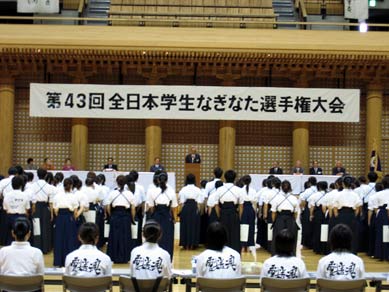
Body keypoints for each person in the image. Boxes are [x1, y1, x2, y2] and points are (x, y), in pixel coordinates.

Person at [147, 172, 177, 260]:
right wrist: (174, 218)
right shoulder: (171, 191)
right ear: (167, 180)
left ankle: (154, 256)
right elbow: (174, 207)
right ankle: (167, 257)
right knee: (167, 236)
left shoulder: (152, 191)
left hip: (156, 215)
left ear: (158, 180)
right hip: (167, 215)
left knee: (156, 235)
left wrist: (153, 216)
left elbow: (151, 207)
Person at [106, 175, 136, 264]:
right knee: (125, 236)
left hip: (115, 215)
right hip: (126, 216)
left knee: (114, 236)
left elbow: (108, 206)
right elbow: (133, 208)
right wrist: (132, 218)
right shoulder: (129, 193)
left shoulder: (112, 193)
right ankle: (125, 257)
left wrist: (111, 215)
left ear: (117, 182)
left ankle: (114, 256)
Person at [53, 178, 82, 267]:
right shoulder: (73, 196)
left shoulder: (57, 196)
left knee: (59, 239)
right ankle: (70, 261)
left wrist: (59, 217)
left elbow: (55, 211)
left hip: (60, 217)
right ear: (71, 186)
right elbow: (76, 212)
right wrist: (73, 217)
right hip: (70, 217)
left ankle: (58, 261)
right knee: (70, 239)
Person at [213, 169, 244, 253]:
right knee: (235, 234)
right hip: (234, 213)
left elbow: (216, 205)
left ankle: (222, 251)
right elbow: (241, 206)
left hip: (223, 212)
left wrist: (219, 216)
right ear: (234, 178)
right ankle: (235, 252)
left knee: (223, 233)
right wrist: (239, 217)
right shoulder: (239, 190)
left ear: (225, 178)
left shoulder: (219, 189)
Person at [30, 168, 58, 254]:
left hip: (36, 207)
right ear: (46, 175)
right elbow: (51, 202)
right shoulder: (50, 187)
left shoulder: (32, 186)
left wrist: (33, 210)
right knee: (46, 228)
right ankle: (45, 248)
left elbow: (32, 199)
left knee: (36, 227)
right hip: (46, 208)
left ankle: (36, 247)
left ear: (37, 175)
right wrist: (52, 214)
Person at [332, 176, 362, 254]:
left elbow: (334, 207)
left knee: (340, 232)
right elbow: (358, 207)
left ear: (342, 184)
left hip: (341, 214)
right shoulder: (355, 194)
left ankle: (339, 250)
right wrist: (354, 216)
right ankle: (352, 251)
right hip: (351, 214)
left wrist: (337, 216)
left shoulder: (339, 194)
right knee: (352, 233)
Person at [270, 180, 299, 255]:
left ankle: (276, 253)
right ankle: (291, 253)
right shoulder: (294, 198)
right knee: (291, 236)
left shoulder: (277, 198)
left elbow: (273, 212)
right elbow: (296, 213)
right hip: (290, 218)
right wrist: (293, 220)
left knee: (277, 236)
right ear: (290, 188)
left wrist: (274, 222)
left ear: (281, 188)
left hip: (279, 218)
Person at [3, 176, 30, 245]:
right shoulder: (25, 195)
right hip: (22, 217)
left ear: (12, 185)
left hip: (9, 217)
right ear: (21, 185)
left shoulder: (7, 195)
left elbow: (5, 208)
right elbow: (27, 209)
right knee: (22, 237)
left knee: (9, 237)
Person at [178, 173, 202, 250]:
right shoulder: (198, 189)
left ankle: (185, 244)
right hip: (194, 207)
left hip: (186, 207)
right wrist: (198, 211)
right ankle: (193, 244)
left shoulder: (183, 189)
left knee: (185, 225)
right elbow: (199, 203)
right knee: (194, 225)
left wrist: (181, 211)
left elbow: (181, 202)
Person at [308, 181, 328, 254]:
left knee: (317, 230)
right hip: (327, 213)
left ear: (318, 187)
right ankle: (324, 248)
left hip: (318, 213)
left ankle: (317, 249)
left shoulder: (314, 195)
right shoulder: (328, 194)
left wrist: (311, 215)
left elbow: (312, 206)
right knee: (325, 230)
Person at [240, 175, 257, 252]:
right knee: (251, 226)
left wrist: (240, 214)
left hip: (243, 208)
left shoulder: (240, 190)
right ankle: (250, 245)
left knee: (243, 226)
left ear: (243, 181)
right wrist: (255, 212)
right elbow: (255, 203)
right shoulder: (253, 190)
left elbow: (240, 203)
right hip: (250, 209)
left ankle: (243, 245)